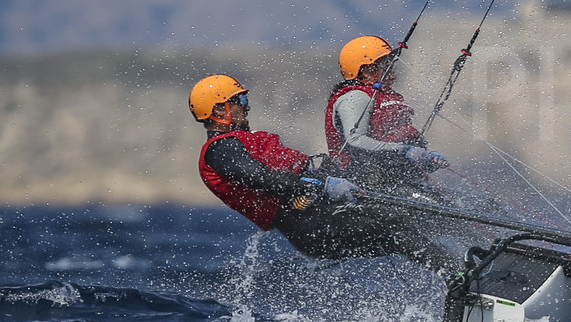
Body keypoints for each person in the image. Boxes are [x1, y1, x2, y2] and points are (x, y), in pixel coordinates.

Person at [191, 73, 457, 277]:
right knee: (397, 229)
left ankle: (477, 259)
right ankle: (460, 276)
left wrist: (405, 160)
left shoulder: (239, 141)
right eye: (240, 101)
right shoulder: (220, 150)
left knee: (413, 212)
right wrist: (323, 184)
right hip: (309, 226)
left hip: (323, 209)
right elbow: (263, 179)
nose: (246, 107)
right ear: (218, 110)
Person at [325, 36, 449, 190]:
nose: (393, 75)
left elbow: (393, 143)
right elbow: (355, 140)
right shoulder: (355, 97)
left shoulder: (385, 96)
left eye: (392, 67)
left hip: (397, 179)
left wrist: (425, 158)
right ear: (366, 72)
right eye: (387, 68)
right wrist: (404, 150)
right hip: (362, 183)